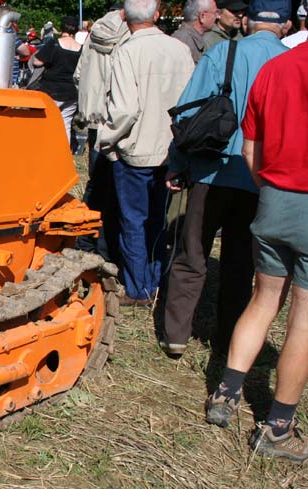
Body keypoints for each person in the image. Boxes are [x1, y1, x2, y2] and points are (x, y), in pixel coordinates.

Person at [205, 1, 308, 462]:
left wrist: (270, 188)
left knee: (264, 299)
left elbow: (252, 147)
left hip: (272, 198)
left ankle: (224, 395)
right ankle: (278, 429)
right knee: (305, 318)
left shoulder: (278, 66)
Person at [160, 0, 290, 359]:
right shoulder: (290, 63)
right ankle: (230, 337)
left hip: (210, 169)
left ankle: (176, 334)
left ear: (247, 20)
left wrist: (177, 163)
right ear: (288, 23)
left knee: (192, 252)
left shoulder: (223, 53)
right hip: (260, 176)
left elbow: (189, 110)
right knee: (241, 262)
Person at [97, 0, 194, 306]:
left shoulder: (128, 51)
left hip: (136, 151)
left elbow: (124, 108)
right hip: (172, 150)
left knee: (133, 221)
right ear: (156, 14)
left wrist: (106, 140)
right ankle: (153, 279)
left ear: (125, 17)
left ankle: (139, 288)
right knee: (157, 219)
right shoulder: (179, 49)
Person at [73, 4, 131, 264]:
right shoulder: (130, 34)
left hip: (95, 119)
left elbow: (78, 75)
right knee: (114, 188)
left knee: (95, 184)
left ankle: (84, 241)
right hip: (117, 120)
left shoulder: (94, 32)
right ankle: (106, 251)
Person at [32, 16, 82, 144]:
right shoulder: (81, 49)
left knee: (45, 121)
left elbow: (37, 62)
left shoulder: (54, 44)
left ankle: (44, 148)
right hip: (71, 92)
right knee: (65, 124)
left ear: (61, 28)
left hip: (51, 90)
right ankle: (64, 152)